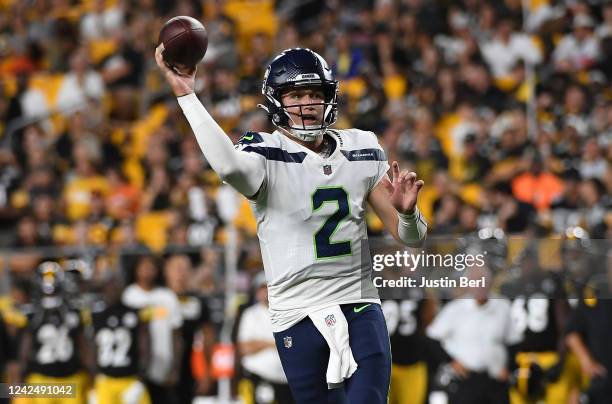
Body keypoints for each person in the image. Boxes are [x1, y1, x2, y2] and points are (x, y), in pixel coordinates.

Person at [155, 45, 427, 403]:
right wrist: (187, 94)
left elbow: (413, 238)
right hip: (296, 313)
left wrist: (407, 213)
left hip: (357, 303)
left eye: (315, 94)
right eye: (296, 94)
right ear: (276, 101)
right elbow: (228, 166)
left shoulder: (362, 147)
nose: (307, 104)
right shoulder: (263, 152)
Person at [237, 272, 293, 404]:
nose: (266, 292)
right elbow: (245, 348)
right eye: (262, 288)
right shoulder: (250, 314)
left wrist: (260, 344)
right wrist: (273, 344)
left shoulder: (288, 313)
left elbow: (292, 343)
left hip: (285, 379)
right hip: (259, 376)